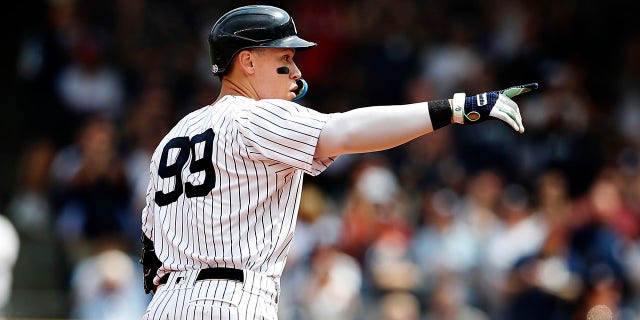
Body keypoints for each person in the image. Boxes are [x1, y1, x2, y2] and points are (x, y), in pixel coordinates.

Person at [140, 5, 537, 319]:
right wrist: (453, 108)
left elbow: (151, 244)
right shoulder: (253, 115)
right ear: (246, 61)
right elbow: (345, 131)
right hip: (231, 303)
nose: (296, 71)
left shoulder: (175, 135)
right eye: (285, 57)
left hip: (167, 305)